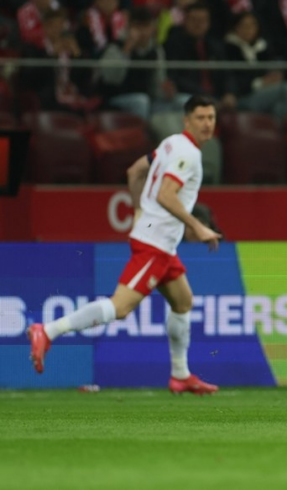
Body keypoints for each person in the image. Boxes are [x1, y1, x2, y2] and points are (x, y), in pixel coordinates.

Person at [27, 95, 223, 395]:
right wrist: (197, 226)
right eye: (201, 118)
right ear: (187, 120)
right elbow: (166, 194)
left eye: (211, 117)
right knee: (120, 307)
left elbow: (134, 171)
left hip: (161, 242)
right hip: (155, 243)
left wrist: (138, 210)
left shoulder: (171, 144)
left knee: (183, 301)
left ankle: (180, 375)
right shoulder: (189, 154)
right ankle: (48, 331)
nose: (207, 124)